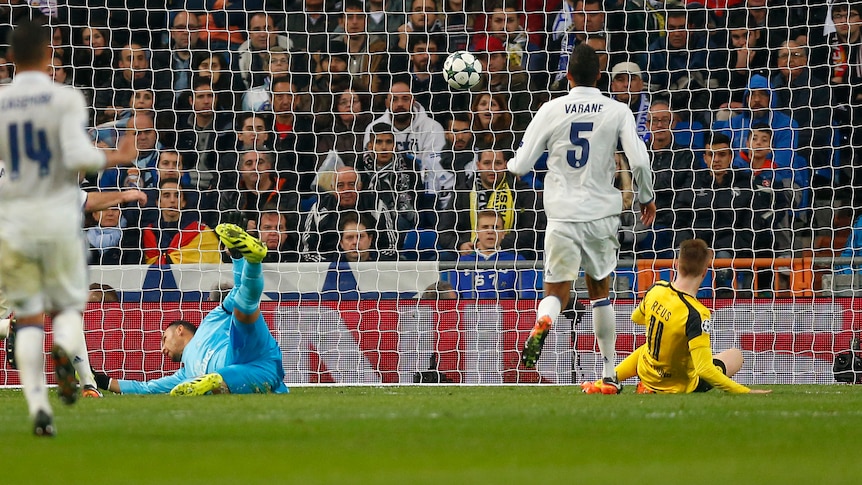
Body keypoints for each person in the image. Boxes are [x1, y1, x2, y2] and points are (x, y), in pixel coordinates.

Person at [0, 20, 138, 436]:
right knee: (65, 309)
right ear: (48, 56)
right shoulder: (64, 99)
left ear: (9, 60)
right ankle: (73, 364)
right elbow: (82, 157)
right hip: (57, 218)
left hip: (15, 223)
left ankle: (39, 407)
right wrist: (120, 156)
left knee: (26, 317)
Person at [507, 44, 656, 392]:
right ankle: (607, 373)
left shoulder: (551, 108)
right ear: (600, 76)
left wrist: (512, 164)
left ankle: (545, 319)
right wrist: (646, 196)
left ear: (568, 76)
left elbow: (523, 164)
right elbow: (639, 162)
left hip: (561, 213)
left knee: (556, 290)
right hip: (601, 213)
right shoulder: (618, 110)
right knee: (599, 292)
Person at [94, 223, 288, 396]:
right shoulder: (184, 375)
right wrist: (99, 380)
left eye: (165, 338)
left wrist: (237, 259)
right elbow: (146, 388)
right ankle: (213, 384)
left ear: (180, 330)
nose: (162, 349)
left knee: (242, 309)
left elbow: (238, 291)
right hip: (248, 374)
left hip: (250, 351)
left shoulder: (210, 321)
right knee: (223, 377)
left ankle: (253, 261)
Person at [582, 239, 771, 395]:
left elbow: (636, 318)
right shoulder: (697, 313)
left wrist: (664, 319)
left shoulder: (656, 289)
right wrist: (745, 392)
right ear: (705, 272)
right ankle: (644, 385)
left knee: (649, 347)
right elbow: (704, 369)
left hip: (647, 373)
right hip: (678, 386)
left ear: (676, 264)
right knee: (735, 355)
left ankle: (605, 381)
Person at [445, 210, 539, 300]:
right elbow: (453, 301)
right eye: (485, 227)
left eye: (495, 227)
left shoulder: (517, 262)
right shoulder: (460, 263)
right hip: (470, 315)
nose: (490, 231)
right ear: (477, 232)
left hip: (507, 315)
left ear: (503, 233)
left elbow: (527, 298)